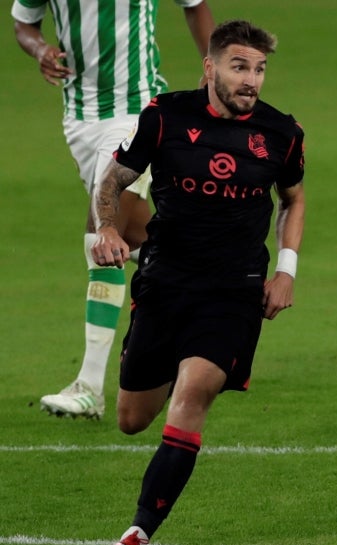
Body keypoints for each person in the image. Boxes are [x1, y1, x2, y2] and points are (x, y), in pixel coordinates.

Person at [90, 20, 306, 545]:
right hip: (164, 283)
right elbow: (112, 182)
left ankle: (137, 533)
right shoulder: (164, 117)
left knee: (193, 396)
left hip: (234, 291)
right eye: (240, 66)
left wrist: (286, 271)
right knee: (133, 418)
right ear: (209, 67)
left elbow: (293, 199)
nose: (251, 80)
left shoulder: (281, 132)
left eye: (259, 69)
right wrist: (109, 231)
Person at [11, 0, 215, 419]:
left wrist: (212, 70)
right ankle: (219, 289)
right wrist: (40, 51)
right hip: (80, 118)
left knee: (100, 231)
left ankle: (89, 386)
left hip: (137, 111)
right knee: (139, 236)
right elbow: (23, 23)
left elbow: (195, 6)